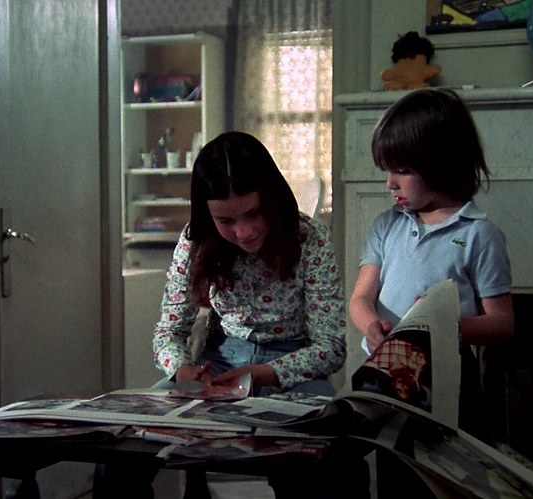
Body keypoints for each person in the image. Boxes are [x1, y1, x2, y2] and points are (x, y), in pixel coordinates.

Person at [95, 131, 351, 498]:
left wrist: (263, 374)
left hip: (292, 367)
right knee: (123, 452)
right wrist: (184, 371)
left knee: (323, 460)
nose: (243, 233)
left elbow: (331, 347)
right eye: (225, 220)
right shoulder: (195, 241)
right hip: (216, 366)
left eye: (253, 214)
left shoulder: (309, 238)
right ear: (207, 214)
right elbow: (168, 333)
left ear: (272, 199)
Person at [347, 87, 514, 497]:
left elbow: (502, 323)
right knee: (396, 479)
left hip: (450, 382)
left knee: (450, 483)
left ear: (440, 164)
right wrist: (371, 327)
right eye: (387, 170)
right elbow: (361, 298)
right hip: (390, 379)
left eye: (401, 170)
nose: (389, 182)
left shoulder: (479, 234)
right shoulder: (386, 225)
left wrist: (448, 325)